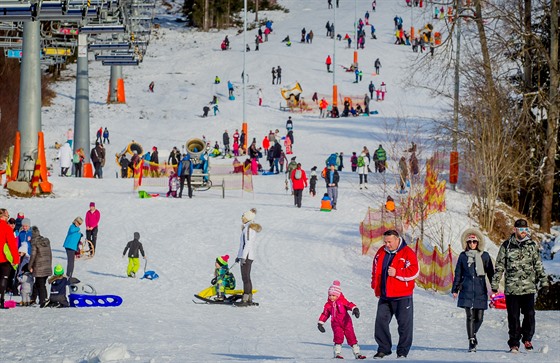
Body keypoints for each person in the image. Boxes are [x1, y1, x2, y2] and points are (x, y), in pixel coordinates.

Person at [491, 219, 549, 353]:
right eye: (521, 229)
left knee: (529, 314)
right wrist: (495, 283)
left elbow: (538, 265)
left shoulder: (532, 245)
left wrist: (544, 282)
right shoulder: (506, 246)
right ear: (514, 230)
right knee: (513, 317)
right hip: (512, 289)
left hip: (528, 287)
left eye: (526, 230)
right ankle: (514, 343)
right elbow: (499, 266)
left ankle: (527, 338)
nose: (524, 232)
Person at [371, 229, 419, 359]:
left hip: (402, 296)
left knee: (404, 325)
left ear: (397, 240)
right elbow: (375, 269)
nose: (387, 244)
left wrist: (397, 273)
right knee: (380, 322)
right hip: (385, 295)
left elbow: (414, 271)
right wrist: (375, 285)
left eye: (389, 242)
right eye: (385, 242)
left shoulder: (407, 252)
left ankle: (402, 352)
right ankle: (384, 349)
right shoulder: (381, 251)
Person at [452, 228, 495, 352]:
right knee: (470, 316)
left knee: (479, 318)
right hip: (466, 290)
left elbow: (491, 273)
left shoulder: (485, 256)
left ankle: (473, 333)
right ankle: (471, 340)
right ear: (466, 243)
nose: (472, 244)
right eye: (469, 242)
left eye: (474, 242)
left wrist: (494, 287)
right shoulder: (463, 256)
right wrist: (455, 289)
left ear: (478, 243)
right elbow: (458, 273)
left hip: (480, 291)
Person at [317, 280, 366, 359]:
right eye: (330, 295)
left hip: (346, 322)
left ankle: (357, 353)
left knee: (351, 336)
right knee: (338, 337)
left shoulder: (342, 301)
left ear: (338, 295)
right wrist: (320, 323)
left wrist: (355, 308)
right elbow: (325, 314)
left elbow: (349, 304)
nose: (331, 297)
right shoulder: (328, 305)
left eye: (333, 295)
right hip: (336, 324)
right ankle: (337, 353)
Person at [235, 208, 262, 306]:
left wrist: (243, 257)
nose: (242, 218)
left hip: (247, 256)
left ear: (247, 218)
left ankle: (245, 299)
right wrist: (239, 256)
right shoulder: (247, 227)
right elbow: (242, 244)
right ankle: (249, 298)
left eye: (243, 216)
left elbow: (248, 243)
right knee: (247, 277)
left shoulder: (249, 228)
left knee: (245, 278)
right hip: (246, 256)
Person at [28, 226, 52, 308]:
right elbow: (50, 254)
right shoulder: (46, 241)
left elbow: (33, 255)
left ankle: (43, 300)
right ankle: (33, 299)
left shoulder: (34, 242)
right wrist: (49, 265)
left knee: (40, 284)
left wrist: (29, 266)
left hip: (39, 266)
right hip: (47, 265)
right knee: (39, 283)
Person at [0, 208, 19, 309]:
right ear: (3, 216)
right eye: (7, 215)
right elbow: (12, 245)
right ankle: (1, 300)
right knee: (3, 279)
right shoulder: (7, 228)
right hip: (3, 258)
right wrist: (16, 259)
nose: (8, 217)